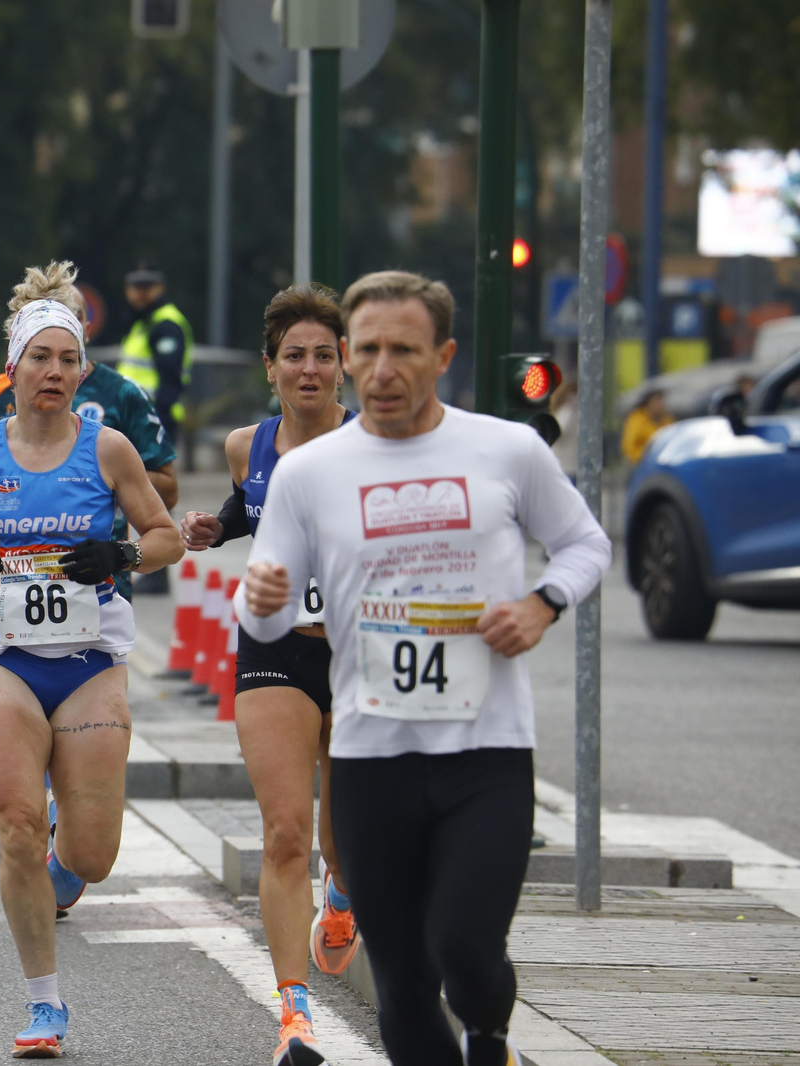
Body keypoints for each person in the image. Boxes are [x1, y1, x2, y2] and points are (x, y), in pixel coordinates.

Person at [236, 270, 611, 1066]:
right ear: (349, 355)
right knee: (404, 996)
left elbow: (585, 544)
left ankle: (489, 1038)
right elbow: (264, 614)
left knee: (468, 951)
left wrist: (542, 604)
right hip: (373, 758)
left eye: (403, 350)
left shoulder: (505, 450)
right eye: (368, 349)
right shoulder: (309, 473)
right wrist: (261, 601)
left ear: (442, 356)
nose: (383, 369)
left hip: (484, 753)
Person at [0, 267, 183, 1058]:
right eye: (40, 358)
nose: (54, 372)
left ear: (82, 371)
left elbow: (166, 537)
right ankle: (44, 1004)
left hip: (91, 662)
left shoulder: (109, 449)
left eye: (68, 360)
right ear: (15, 367)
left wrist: (122, 554)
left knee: (92, 854)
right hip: (6, 661)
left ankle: (67, 859)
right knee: (17, 826)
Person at [179, 284, 359, 1066]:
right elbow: (250, 505)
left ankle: (343, 894)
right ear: (270, 367)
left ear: (343, 365)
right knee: (286, 831)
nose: (308, 369)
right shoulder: (245, 445)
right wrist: (213, 526)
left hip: (359, 654)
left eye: (323, 355)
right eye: (294, 356)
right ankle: (294, 1015)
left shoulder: (375, 444)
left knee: (346, 838)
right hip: (275, 647)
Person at [0, 265, 179, 603]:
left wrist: (103, 483)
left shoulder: (121, 396)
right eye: (39, 355)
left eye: (75, 315)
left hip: (102, 585)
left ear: (86, 328)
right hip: (9, 599)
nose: (64, 325)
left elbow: (167, 498)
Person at [115, 261, 192, 594]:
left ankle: (158, 570)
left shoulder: (166, 324)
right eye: (135, 286)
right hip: (138, 421)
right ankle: (151, 566)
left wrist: (154, 422)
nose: (141, 292)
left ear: (160, 287)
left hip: (153, 421)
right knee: (141, 490)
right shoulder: (142, 323)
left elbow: (171, 381)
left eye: (148, 286)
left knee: (156, 491)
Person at [621, 387, 672, 465]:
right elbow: (628, 447)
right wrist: (644, 459)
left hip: (662, 462)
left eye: (661, 400)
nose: (660, 404)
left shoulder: (667, 419)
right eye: (656, 401)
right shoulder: (637, 418)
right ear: (648, 402)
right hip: (638, 463)